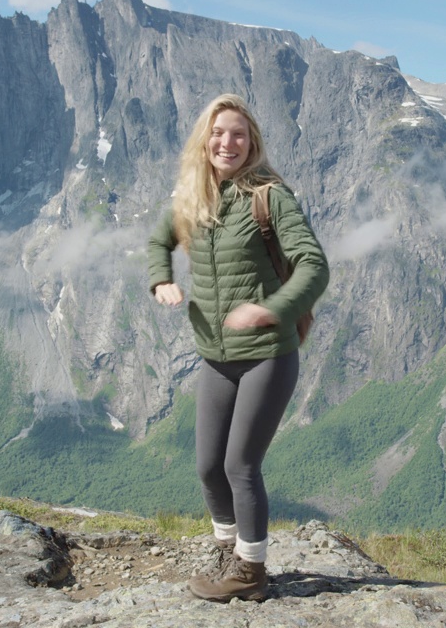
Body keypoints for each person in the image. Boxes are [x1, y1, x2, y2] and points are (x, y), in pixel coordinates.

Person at [147, 93, 329, 602]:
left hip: (268, 354)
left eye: (239, 135)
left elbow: (314, 265)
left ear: (252, 144)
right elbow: (157, 242)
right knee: (208, 466)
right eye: (219, 132)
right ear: (205, 140)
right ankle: (228, 552)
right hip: (216, 356)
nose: (228, 142)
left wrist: (272, 310)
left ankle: (250, 573)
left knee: (239, 466)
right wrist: (161, 280)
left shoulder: (270, 197)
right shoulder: (192, 198)